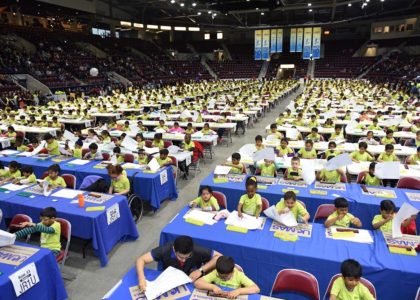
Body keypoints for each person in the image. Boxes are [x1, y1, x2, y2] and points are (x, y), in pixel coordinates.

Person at [136, 235, 221, 292]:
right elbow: (141, 260)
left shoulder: (197, 249)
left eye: (187, 256)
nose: (184, 260)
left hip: (191, 280)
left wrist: (201, 270)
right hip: (170, 280)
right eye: (180, 257)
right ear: (174, 249)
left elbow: (219, 257)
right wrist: (141, 278)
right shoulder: (165, 249)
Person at [194, 256, 260, 298]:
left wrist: (238, 291)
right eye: (220, 276)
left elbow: (256, 289)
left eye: (226, 277)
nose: (223, 279)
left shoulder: (239, 275)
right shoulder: (215, 273)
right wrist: (213, 287)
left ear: (233, 271)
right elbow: (197, 283)